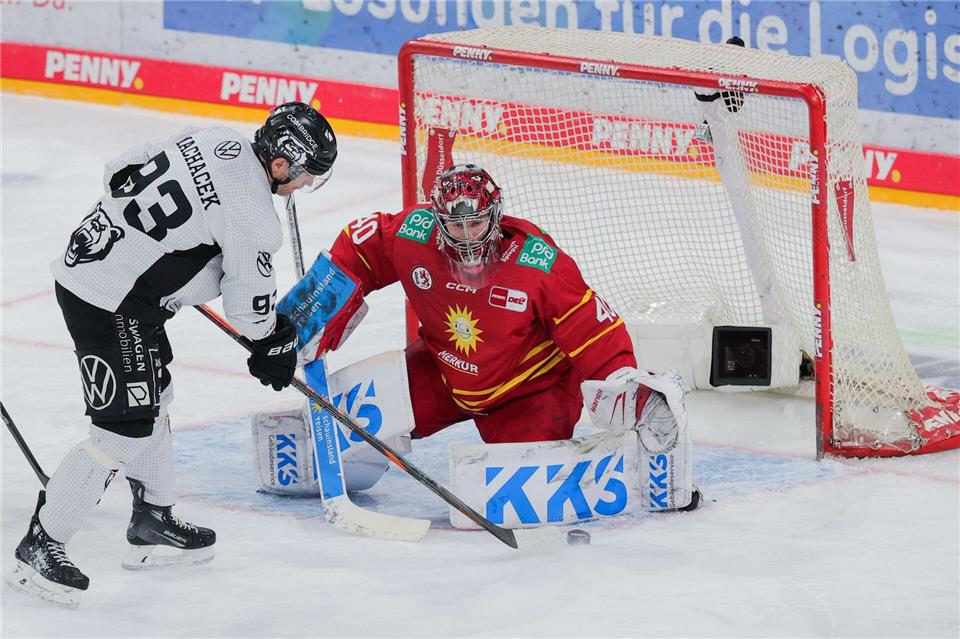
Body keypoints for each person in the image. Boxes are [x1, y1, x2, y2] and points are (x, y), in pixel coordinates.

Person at [5, 101, 336, 609]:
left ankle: (153, 518)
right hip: (109, 300)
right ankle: (42, 544)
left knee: (156, 397)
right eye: (305, 176)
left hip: (99, 264)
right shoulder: (254, 215)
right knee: (121, 428)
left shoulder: (211, 138)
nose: (304, 187)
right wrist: (275, 341)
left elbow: (120, 171)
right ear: (280, 163)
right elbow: (250, 314)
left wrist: (153, 252)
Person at [302, 164, 696, 508]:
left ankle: (639, 469)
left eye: (475, 222)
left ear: (495, 216)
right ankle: (337, 462)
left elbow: (593, 331)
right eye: (455, 225)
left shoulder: (537, 265)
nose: (467, 236)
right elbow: (360, 247)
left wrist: (625, 384)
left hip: (529, 394)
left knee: (507, 498)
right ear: (438, 221)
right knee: (325, 437)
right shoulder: (414, 236)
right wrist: (305, 314)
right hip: (443, 373)